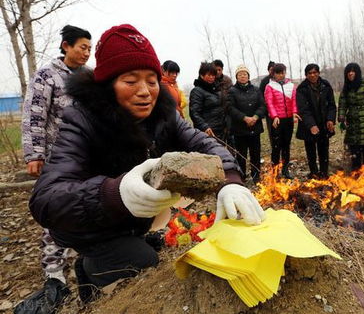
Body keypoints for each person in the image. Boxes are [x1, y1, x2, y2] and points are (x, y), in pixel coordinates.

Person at [28, 24, 265, 304]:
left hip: (134, 220)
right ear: (107, 85)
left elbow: (203, 143)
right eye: (130, 81)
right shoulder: (81, 119)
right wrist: (114, 193)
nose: (145, 92)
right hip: (89, 226)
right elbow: (46, 200)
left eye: (152, 81)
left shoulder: (164, 114)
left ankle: (97, 267)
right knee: (142, 263)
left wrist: (230, 180)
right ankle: (93, 266)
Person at [16, 25, 91, 313]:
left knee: (85, 205)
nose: (86, 52)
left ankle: (86, 255)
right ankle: (54, 269)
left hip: (86, 157)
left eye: (89, 48)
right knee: (55, 212)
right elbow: (33, 115)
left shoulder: (87, 78)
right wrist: (34, 154)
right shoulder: (47, 75)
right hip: (57, 159)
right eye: (82, 46)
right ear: (66, 46)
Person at [337, 63, 364, 171]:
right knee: (354, 152)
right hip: (352, 125)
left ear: (357, 72)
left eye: (353, 71)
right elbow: (342, 104)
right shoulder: (346, 88)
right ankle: (356, 174)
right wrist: (341, 119)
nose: (351, 73)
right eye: (348, 72)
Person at [296, 64, 336, 179]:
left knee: (324, 149)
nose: (313, 75)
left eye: (315, 72)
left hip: (323, 123)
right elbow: (303, 109)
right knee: (311, 151)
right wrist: (311, 125)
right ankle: (314, 173)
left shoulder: (326, 85)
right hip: (308, 125)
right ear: (306, 75)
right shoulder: (302, 88)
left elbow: (332, 105)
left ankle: (324, 173)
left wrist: (330, 119)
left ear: (318, 73)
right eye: (310, 73)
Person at [228, 65, 267, 183]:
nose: (243, 76)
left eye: (245, 74)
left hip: (255, 127)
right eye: (240, 74)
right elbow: (230, 108)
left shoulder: (256, 90)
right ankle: (242, 176)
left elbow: (262, 105)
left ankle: (256, 176)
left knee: (255, 153)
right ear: (236, 77)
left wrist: (255, 117)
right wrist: (244, 118)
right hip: (240, 129)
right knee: (241, 155)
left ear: (248, 76)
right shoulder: (232, 91)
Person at [264, 63, 299, 179]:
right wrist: (274, 116)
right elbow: (269, 103)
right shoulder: (270, 86)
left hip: (288, 119)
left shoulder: (291, 85)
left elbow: (294, 101)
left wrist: (294, 113)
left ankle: (285, 169)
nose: (280, 75)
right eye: (278, 73)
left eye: (282, 72)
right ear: (273, 74)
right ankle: (275, 171)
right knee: (276, 146)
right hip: (277, 120)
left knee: (286, 145)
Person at [190, 62, 228, 140]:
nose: (212, 77)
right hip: (207, 132)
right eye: (209, 75)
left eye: (213, 75)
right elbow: (194, 112)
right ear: (201, 75)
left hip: (220, 131)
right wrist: (205, 127)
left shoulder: (215, 89)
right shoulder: (197, 91)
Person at [259, 61, 275, 148]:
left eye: (274, 69)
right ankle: (274, 148)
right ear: (268, 70)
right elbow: (261, 95)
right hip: (269, 111)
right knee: (272, 131)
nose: (272, 72)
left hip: (281, 111)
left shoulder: (280, 79)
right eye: (271, 69)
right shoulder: (265, 81)